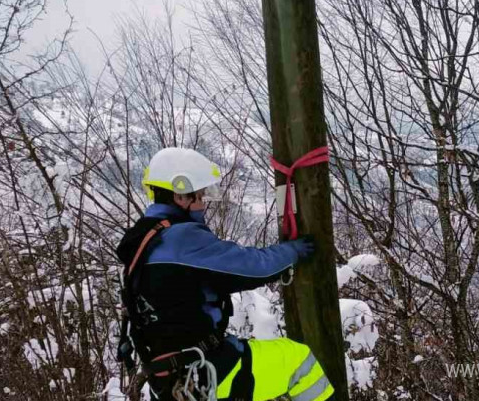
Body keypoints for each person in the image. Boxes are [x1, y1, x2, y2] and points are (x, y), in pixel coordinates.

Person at [116, 147, 333, 401]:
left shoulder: (144, 242)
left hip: (169, 380)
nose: (203, 203)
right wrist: (292, 252)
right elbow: (252, 266)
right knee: (299, 363)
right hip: (208, 372)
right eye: (199, 195)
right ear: (180, 195)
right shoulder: (181, 239)